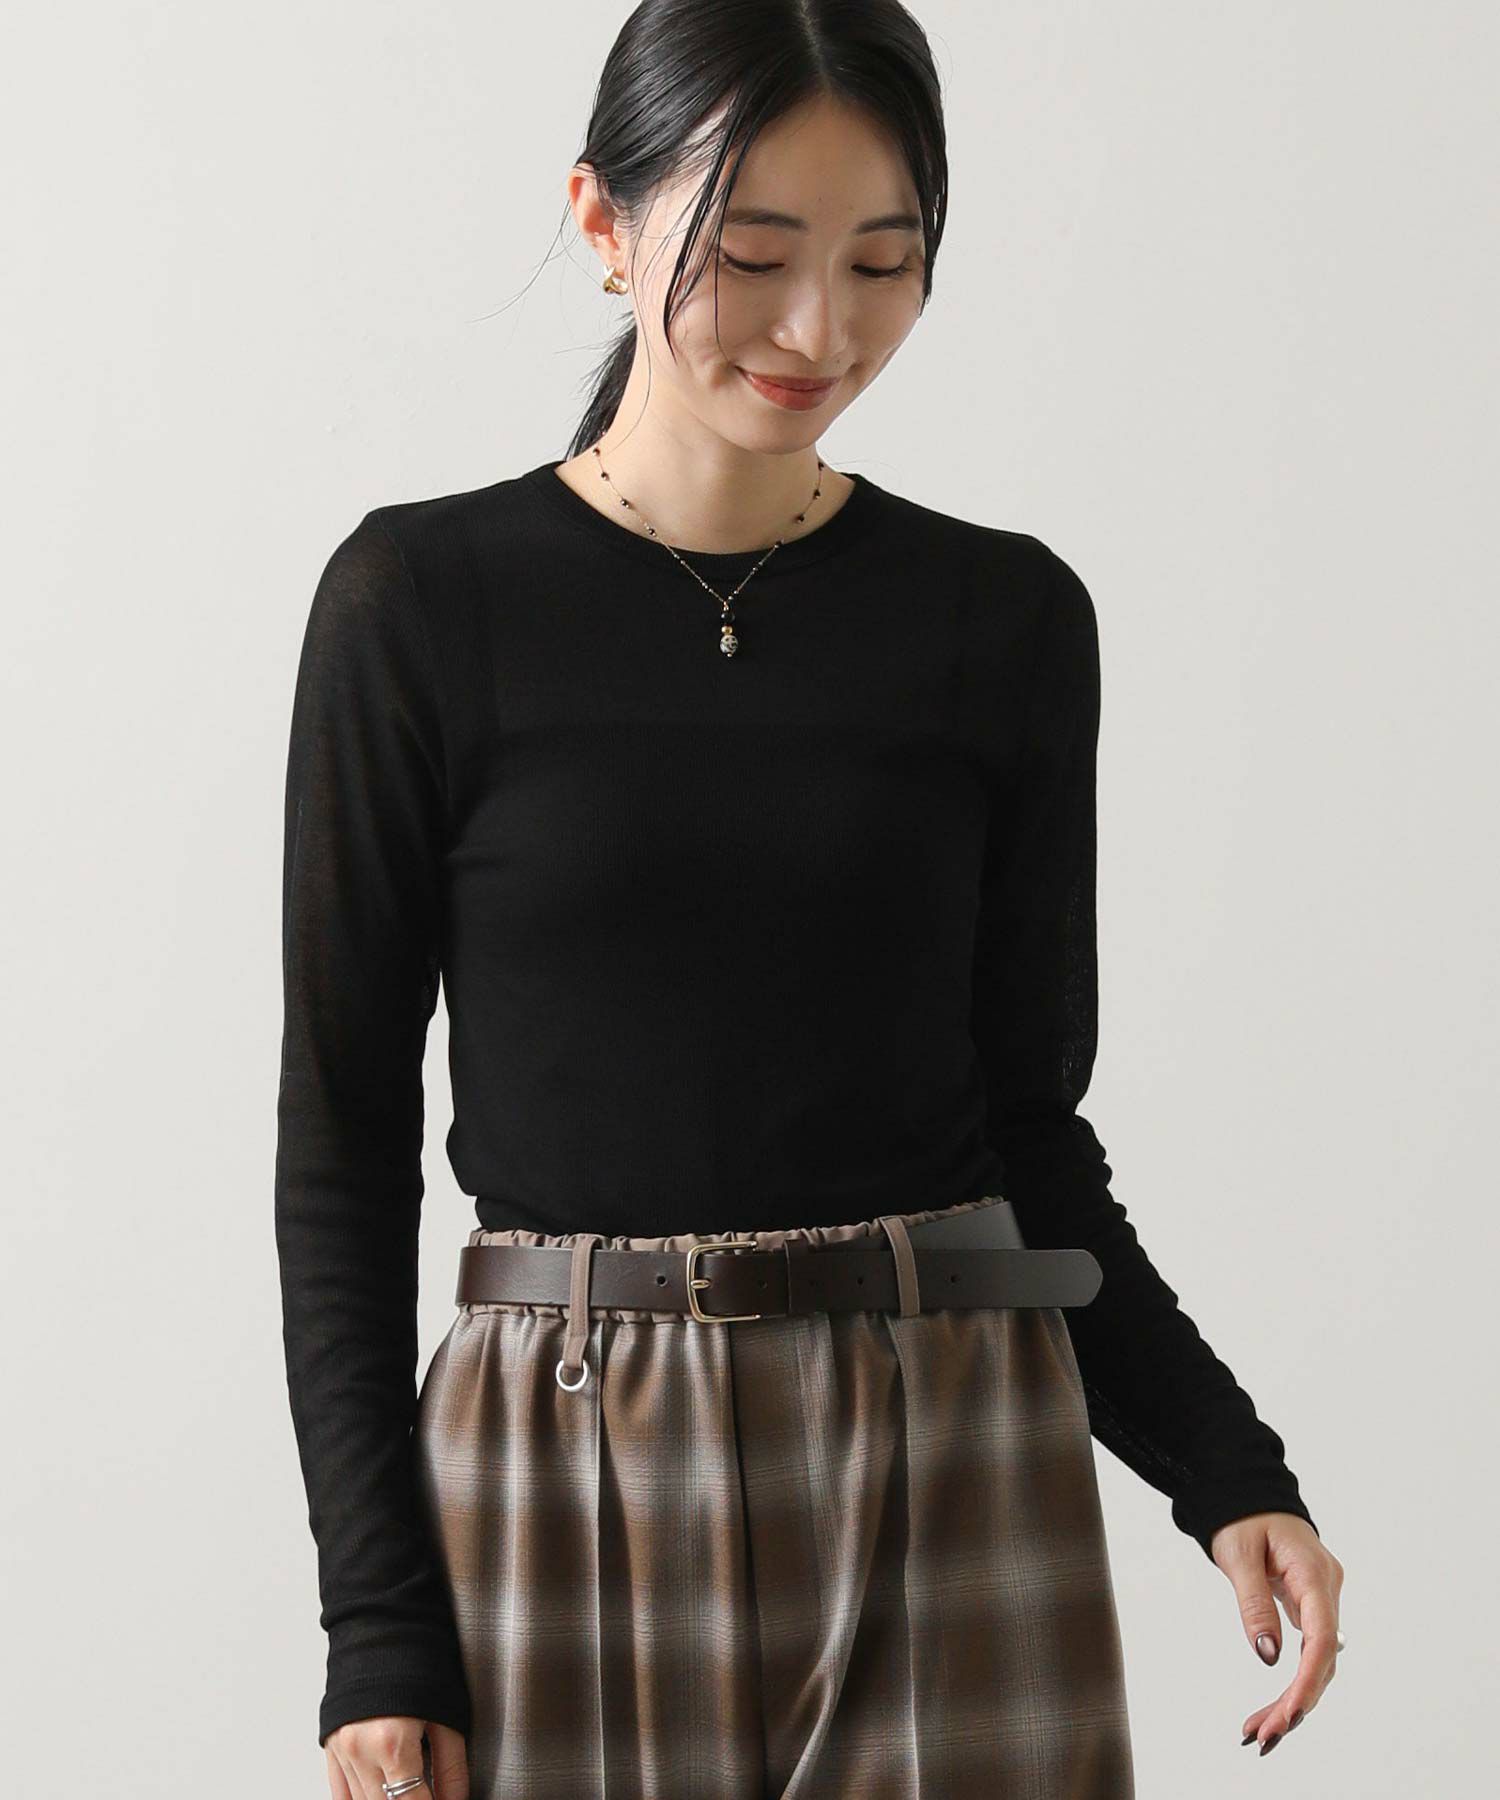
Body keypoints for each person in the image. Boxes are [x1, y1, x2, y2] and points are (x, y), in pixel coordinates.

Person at [274, 4, 1345, 1796]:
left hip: (954, 1443)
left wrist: (1226, 1469)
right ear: (604, 224)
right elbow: (341, 1151)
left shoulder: (1003, 623)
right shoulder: (421, 605)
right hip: (558, 1460)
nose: (819, 331)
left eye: (882, 262)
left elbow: (1025, 1129)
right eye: (754, 255)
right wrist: (376, 1625)